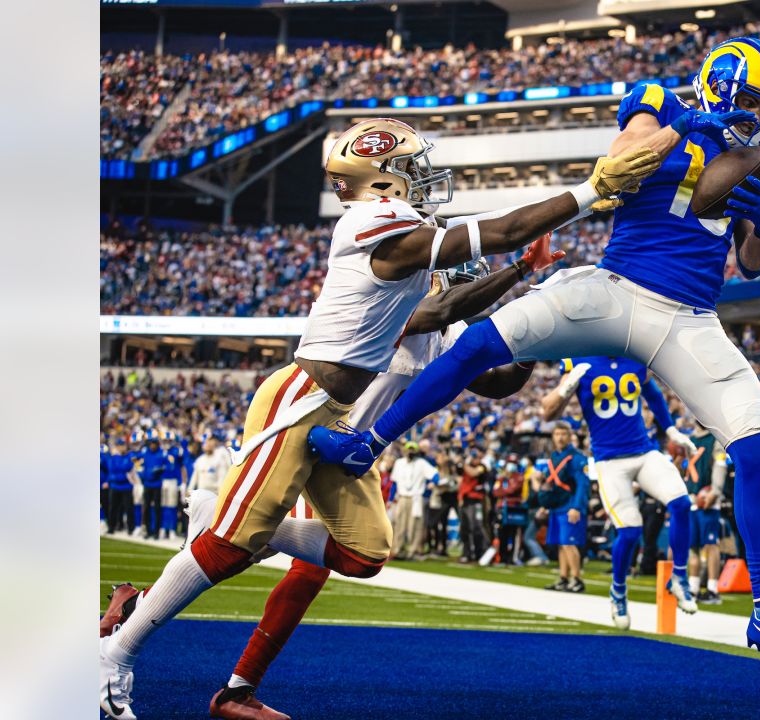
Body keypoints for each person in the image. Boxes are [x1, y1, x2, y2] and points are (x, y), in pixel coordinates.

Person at [97, 114, 649, 719]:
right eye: (410, 169)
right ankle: (119, 658)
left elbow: (485, 371)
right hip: (303, 403)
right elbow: (461, 278)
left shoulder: (418, 287)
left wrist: (536, 332)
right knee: (234, 548)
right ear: (379, 178)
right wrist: (588, 194)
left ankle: (225, 524)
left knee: (364, 554)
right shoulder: (370, 227)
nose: (423, 180)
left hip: (342, 430)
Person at [309, 39, 760, 667]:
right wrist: (683, 128)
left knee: (759, 447)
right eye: (749, 100)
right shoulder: (660, 103)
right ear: (718, 85)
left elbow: (750, 265)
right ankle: (369, 444)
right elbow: (617, 164)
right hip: (617, 288)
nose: (757, 116)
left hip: (689, 317)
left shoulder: (757, 161)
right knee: (480, 342)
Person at [541, 356, 698, 629]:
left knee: (682, 503)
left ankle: (680, 577)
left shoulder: (632, 351)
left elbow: (651, 390)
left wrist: (671, 430)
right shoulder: (578, 357)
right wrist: (566, 389)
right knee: (630, 531)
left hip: (644, 451)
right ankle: (618, 591)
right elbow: (548, 412)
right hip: (609, 461)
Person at [529, 423, 592, 592]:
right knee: (561, 544)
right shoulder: (554, 457)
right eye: (557, 434)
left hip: (570, 506)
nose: (560, 437)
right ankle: (563, 578)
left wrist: (577, 507)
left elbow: (583, 485)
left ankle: (577, 579)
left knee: (569, 544)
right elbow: (553, 486)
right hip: (557, 506)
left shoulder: (578, 458)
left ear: (569, 435)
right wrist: (546, 505)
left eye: (563, 434)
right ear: (553, 436)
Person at [686, 420, 726, 605]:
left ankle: (712, 589)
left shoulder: (716, 439)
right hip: (692, 498)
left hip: (707, 499)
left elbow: (720, 465)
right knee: (692, 546)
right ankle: (693, 588)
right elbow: (684, 470)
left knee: (711, 545)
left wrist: (716, 491)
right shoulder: (689, 440)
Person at [389, 441, 431, 560]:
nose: (411, 452)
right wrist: (391, 499)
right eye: (409, 449)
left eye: (413, 449)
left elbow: (434, 475)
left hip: (416, 498)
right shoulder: (399, 463)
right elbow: (394, 482)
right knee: (399, 525)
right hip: (402, 497)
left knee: (415, 525)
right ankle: (397, 550)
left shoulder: (422, 463)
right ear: (405, 450)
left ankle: (412, 551)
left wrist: (431, 485)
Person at [491, 456, 527, 565]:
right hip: (502, 508)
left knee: (514, 533)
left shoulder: (519, 477)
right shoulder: (501, 478)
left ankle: (513, 558)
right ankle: (502, 557)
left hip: (514, 509)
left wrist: (503, 490)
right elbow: (495, 492)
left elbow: (512, 489)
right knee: (502, 533)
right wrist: (504, 489)